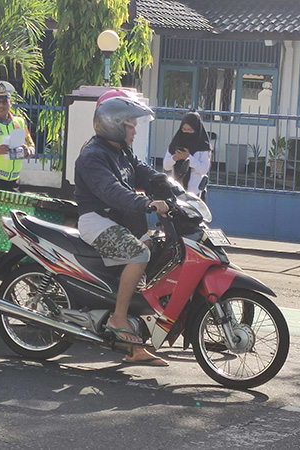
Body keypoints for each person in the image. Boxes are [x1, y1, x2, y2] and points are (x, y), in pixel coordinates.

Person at [74, 96, 170, 366]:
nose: (135, 130)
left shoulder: (120, 150)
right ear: (114, 125)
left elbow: (141, 171)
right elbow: (112, 191)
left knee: (156, 247)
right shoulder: (93, 156)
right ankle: (118, 318)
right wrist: (147, 202)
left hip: (119, 219)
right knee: (139, 254)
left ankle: (133, 339)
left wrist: (167, 185)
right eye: (130, 125)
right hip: (97, 221)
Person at [163, 111, 211, 196]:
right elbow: (166, 166)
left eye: (190, 130)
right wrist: (175, 158)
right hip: (177, 191)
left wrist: (188, 158)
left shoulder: (203, 146)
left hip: (195, 193)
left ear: (196, 130)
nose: (186, 132)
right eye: (184, 129)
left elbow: (204, 169)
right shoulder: (176, 143)